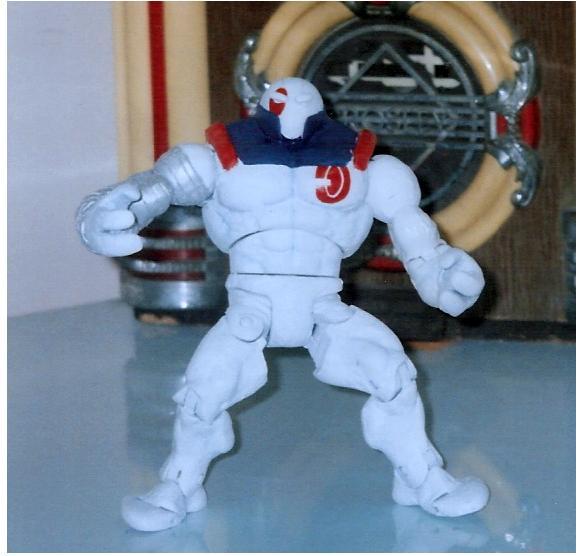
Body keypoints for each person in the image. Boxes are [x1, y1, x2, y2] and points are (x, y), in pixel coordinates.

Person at [77, 77, 488, 532]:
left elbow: (416, 235)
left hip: (324, 303)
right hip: (251, 303)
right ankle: (179, 483)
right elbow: (146, 192)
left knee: (390, 374)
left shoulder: (363, 164)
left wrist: (439, 274)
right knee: (204, 392)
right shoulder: (219, 156)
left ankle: (421, 476)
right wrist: (101, 215)